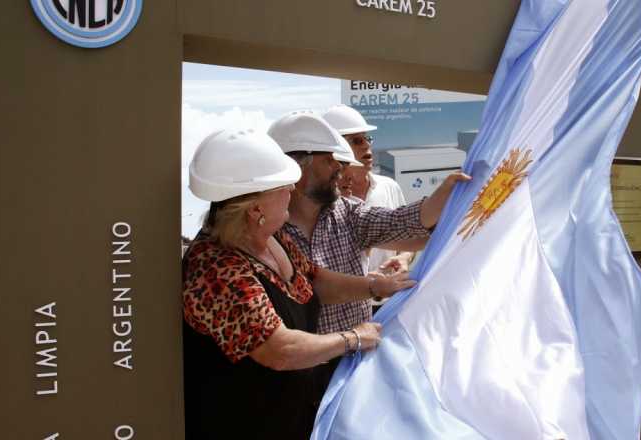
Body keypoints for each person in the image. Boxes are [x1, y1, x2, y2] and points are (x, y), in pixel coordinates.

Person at [181, 129, 415, 439]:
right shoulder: (217, 269)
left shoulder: (269, 238)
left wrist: (374, 287)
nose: (293, 189)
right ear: (255, 209)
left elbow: (314, 281)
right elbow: (280, 349)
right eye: (282, 186)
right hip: (244, 424)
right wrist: (353, 338)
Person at [269, 111, 469, 335]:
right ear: (297, 167)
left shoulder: (348, 213)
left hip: (356, 357)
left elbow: (401, 221)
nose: (339, 169)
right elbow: (316, 286)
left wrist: (449, 195)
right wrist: (375, 286)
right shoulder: (264, 231)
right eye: (329, 160)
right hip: (305, 365)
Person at [323, 104, 414, 274]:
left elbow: (409, 238)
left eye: (367, 138)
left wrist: (404, 257)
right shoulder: (325, 199)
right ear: (336, 148)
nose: (366, 145)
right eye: (357, 140)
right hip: (348, 298)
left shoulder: (389, 187)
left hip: (390, 297)